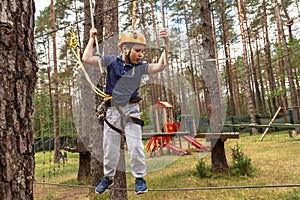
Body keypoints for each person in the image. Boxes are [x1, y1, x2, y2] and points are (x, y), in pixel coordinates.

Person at [82, 27, 169, 195]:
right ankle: (108, 177)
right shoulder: (111, 61)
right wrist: (92, 38)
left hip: (131, 110)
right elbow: (86, 58)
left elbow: (159, 67)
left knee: (135, 146)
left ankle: (139, 178)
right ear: (125, 49)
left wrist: (166, 44)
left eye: (142, 51)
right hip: (112, 111)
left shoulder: (141, 67)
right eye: (137, 50)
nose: (141, 54)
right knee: (110, 147)